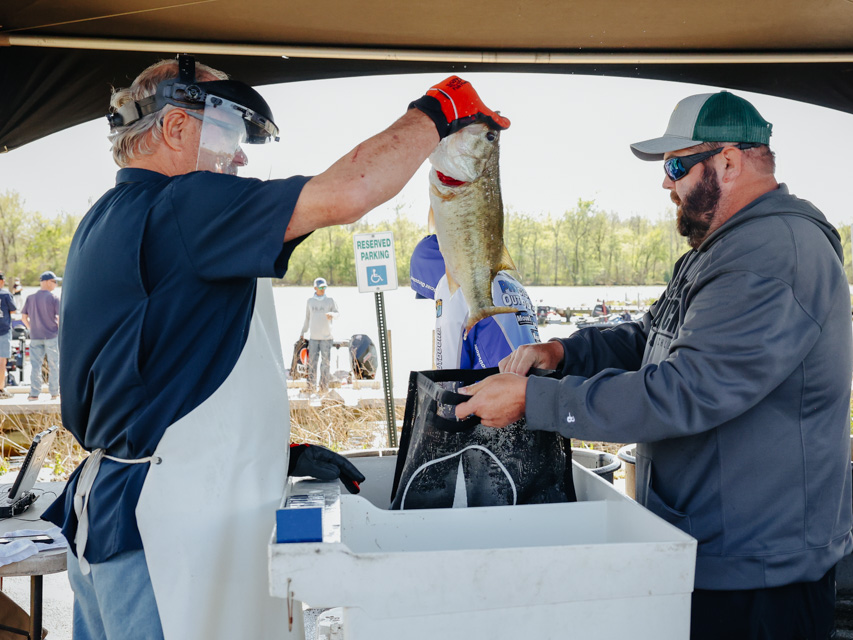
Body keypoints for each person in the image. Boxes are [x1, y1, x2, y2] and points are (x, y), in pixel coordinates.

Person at [40, 54, 507, 640]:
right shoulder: (183, 205)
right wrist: (437, 113)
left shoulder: (109, 217)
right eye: (230, 134)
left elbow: (159, 377)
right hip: (161, 535)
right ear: (176, 127)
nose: (239, 158)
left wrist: (269, 456)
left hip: (116, 512)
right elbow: (350, 191)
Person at [455, 91, 853, 639]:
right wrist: (566, 353)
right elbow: (652, 338)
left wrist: (535, 400)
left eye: (676, 166)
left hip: (759, 572)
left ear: (728, 162)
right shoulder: (723, 249)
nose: (666, 183)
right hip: (715, 548)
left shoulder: (770, 254)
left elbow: (686, 390)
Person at [409, 233, 539, 369]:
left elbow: (449, 368)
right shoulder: (510, 280)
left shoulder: (453, 282)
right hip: (529, 377)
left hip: (496, 379)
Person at [21, 271, 60, 401]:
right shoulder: (54, 298)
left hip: (35, 336)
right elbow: (59, 318)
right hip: (51, 336)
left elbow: (23, 317)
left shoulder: (30, 298)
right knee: (54, 365)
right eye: (54, 282)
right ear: (47, 282)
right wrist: (58, 330)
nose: (56, 284)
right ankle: (54, 393)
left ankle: (34, 393)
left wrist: (31, 328)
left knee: (35, 366)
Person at [300, 277, 339, 392]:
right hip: (313, 338)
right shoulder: (310, 301)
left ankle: (323, 387)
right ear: (315, 288)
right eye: (321, 287)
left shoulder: (330, 301)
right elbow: (307, 318)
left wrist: (332, 314)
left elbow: (337, 314)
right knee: (312, 363)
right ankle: (311, 387)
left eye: (324, 287)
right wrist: (303, 332)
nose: (323, 289)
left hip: (326, 338)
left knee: (325, 364)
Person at [0, 273, 16, 399]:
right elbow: (13, 310)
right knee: (2, 362)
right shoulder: (6, 294)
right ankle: (1, 389)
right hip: (3, 331)